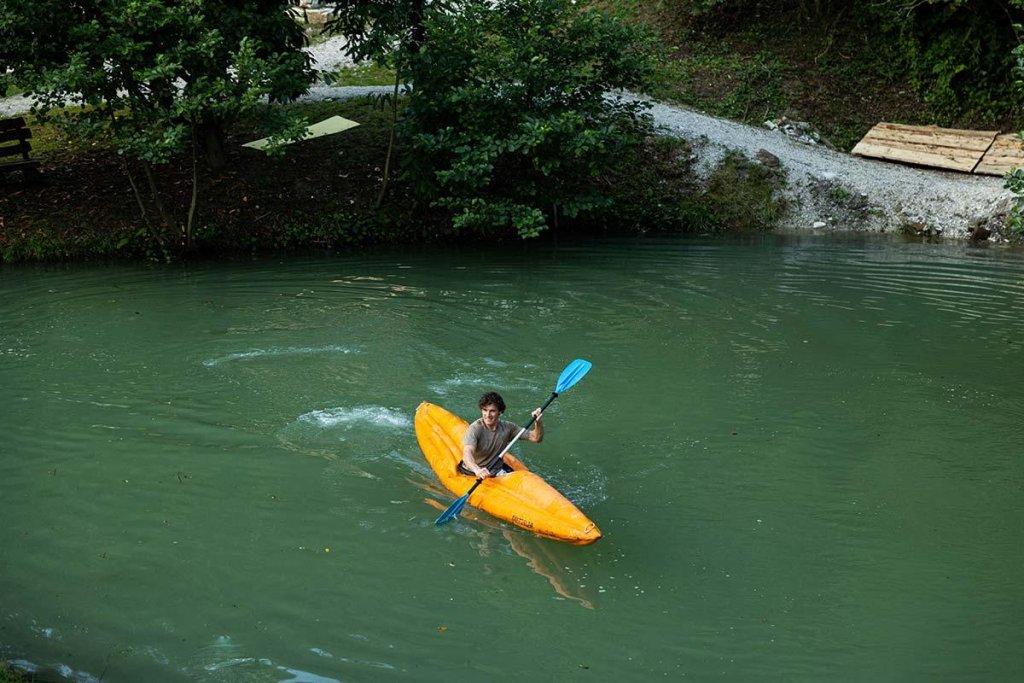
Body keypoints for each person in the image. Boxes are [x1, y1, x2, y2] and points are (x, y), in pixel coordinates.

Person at [460, 391, 543, 478]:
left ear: (499, 412)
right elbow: (467, 454)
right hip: (473, 472)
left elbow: (536, 438)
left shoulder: (508, 427)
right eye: (485, 410)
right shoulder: (475, 429)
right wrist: (477, 470)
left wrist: (538, 422)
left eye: (492, 411)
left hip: (495, 471)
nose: (487, 415)